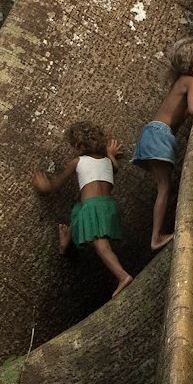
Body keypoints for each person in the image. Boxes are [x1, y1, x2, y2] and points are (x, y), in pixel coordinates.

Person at [135, 36, 193, 250]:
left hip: (154, 133)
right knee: (164, 187)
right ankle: (156, 237)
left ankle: (156, 235)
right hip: (159, 135)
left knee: (163, 185)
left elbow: (189, 104)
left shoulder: (185, 80)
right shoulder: (192, 82)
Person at [29, 120, 131, 296]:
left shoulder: (77, 162)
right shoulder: (108, 161)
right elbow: (115, 168)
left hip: (91, 208)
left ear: (79, 145)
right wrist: (111, 153)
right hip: (106, 207)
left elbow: (56, 185)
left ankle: (122, 276)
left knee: (101, 246)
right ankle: (67, 243)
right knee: (77, 214)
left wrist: (44, 186)